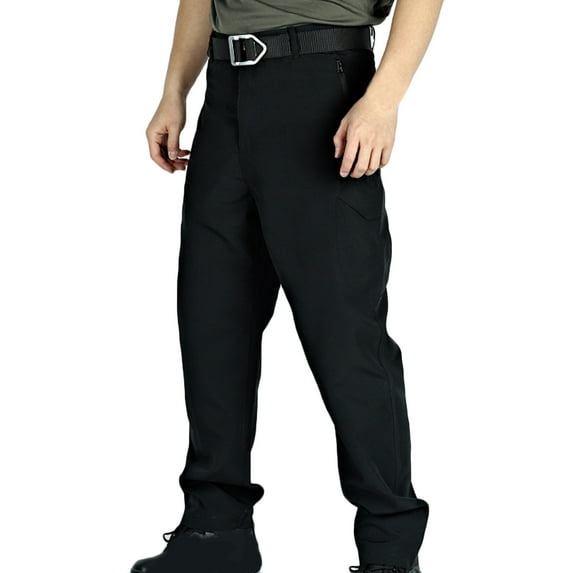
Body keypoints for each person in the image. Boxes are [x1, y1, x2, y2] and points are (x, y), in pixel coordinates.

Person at [135, 0, 443, 572]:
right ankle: (215, 529)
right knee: (212, 322)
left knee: (344, 337)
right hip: (225, 91)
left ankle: (390, 550)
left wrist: (382, 99)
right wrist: (175, 89)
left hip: (323, 85)